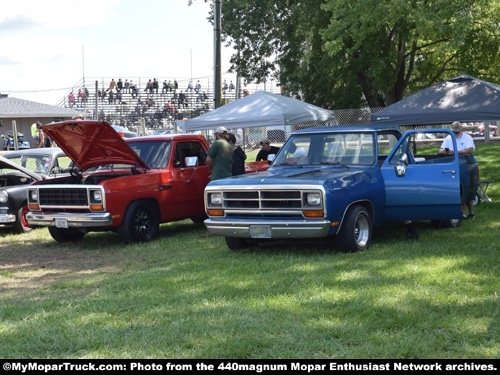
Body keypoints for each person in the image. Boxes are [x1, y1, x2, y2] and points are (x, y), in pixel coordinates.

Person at [438, 121, 476, 219]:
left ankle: (471, 212)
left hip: (465, 164)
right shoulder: (448, 138)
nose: (455, 134)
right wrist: (448, 153)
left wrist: (456, 152)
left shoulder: (467, 138)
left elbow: (469, 150)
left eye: (457, 132)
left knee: (467, 188)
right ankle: (462, 212)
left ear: (461, 129)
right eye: (454, 132)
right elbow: (440, 150)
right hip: (452, 165)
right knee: (458, 189)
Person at [200, 126, 233, 238]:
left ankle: (212, 230)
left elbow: (208, 159)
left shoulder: (217, 143)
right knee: (226, 203)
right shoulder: (229, 146)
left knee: (213, 203)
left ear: (217, 135)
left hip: (218, 178)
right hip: (228, 177)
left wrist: (212, 170)